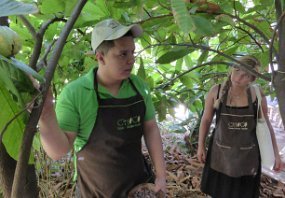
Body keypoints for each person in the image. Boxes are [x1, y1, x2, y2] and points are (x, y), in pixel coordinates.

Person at [39, 18, 166, 198]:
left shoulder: (139, 86)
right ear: (100, 57)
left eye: (132, 52)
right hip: (95, 190)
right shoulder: (76, 93)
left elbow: (151, 128)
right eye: (123, 54)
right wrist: (45, 115)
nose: (131, 60)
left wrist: (161, 176)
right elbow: (58, 151)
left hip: (138, 185)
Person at [197, 55, 283, 198]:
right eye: (237, 71)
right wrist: (201, 145)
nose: (238, 77)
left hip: (247, 157)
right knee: (218, 191)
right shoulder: (216, 91)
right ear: (231, 69)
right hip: (220, 154)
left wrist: (276, 155)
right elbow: (205, 120)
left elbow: (266, 125)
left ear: (252, 79)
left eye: (245, 75)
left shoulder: (256, 94)